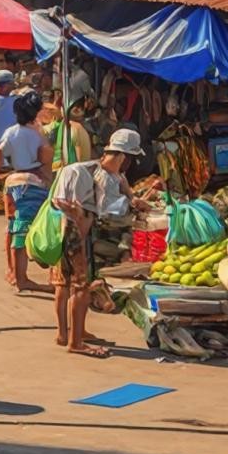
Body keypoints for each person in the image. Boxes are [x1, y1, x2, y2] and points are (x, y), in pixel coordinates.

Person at [49, 128, 140, 357]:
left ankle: (66, 334)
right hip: (74, 235)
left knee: (63, 283)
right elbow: (75, 205)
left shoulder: (86, 170)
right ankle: (76, 342)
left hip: (61, 233)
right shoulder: (88, 173)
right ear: (121, 156)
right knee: (81, 287)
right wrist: (77, 214)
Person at [0, 93, 51, 294]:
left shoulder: (11, 132)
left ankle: (14, 272)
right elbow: (45, 158)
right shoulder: (37, 134)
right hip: (32, 182)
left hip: (13, 182)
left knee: (14, 227)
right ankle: (22, 279)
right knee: (29, 229)